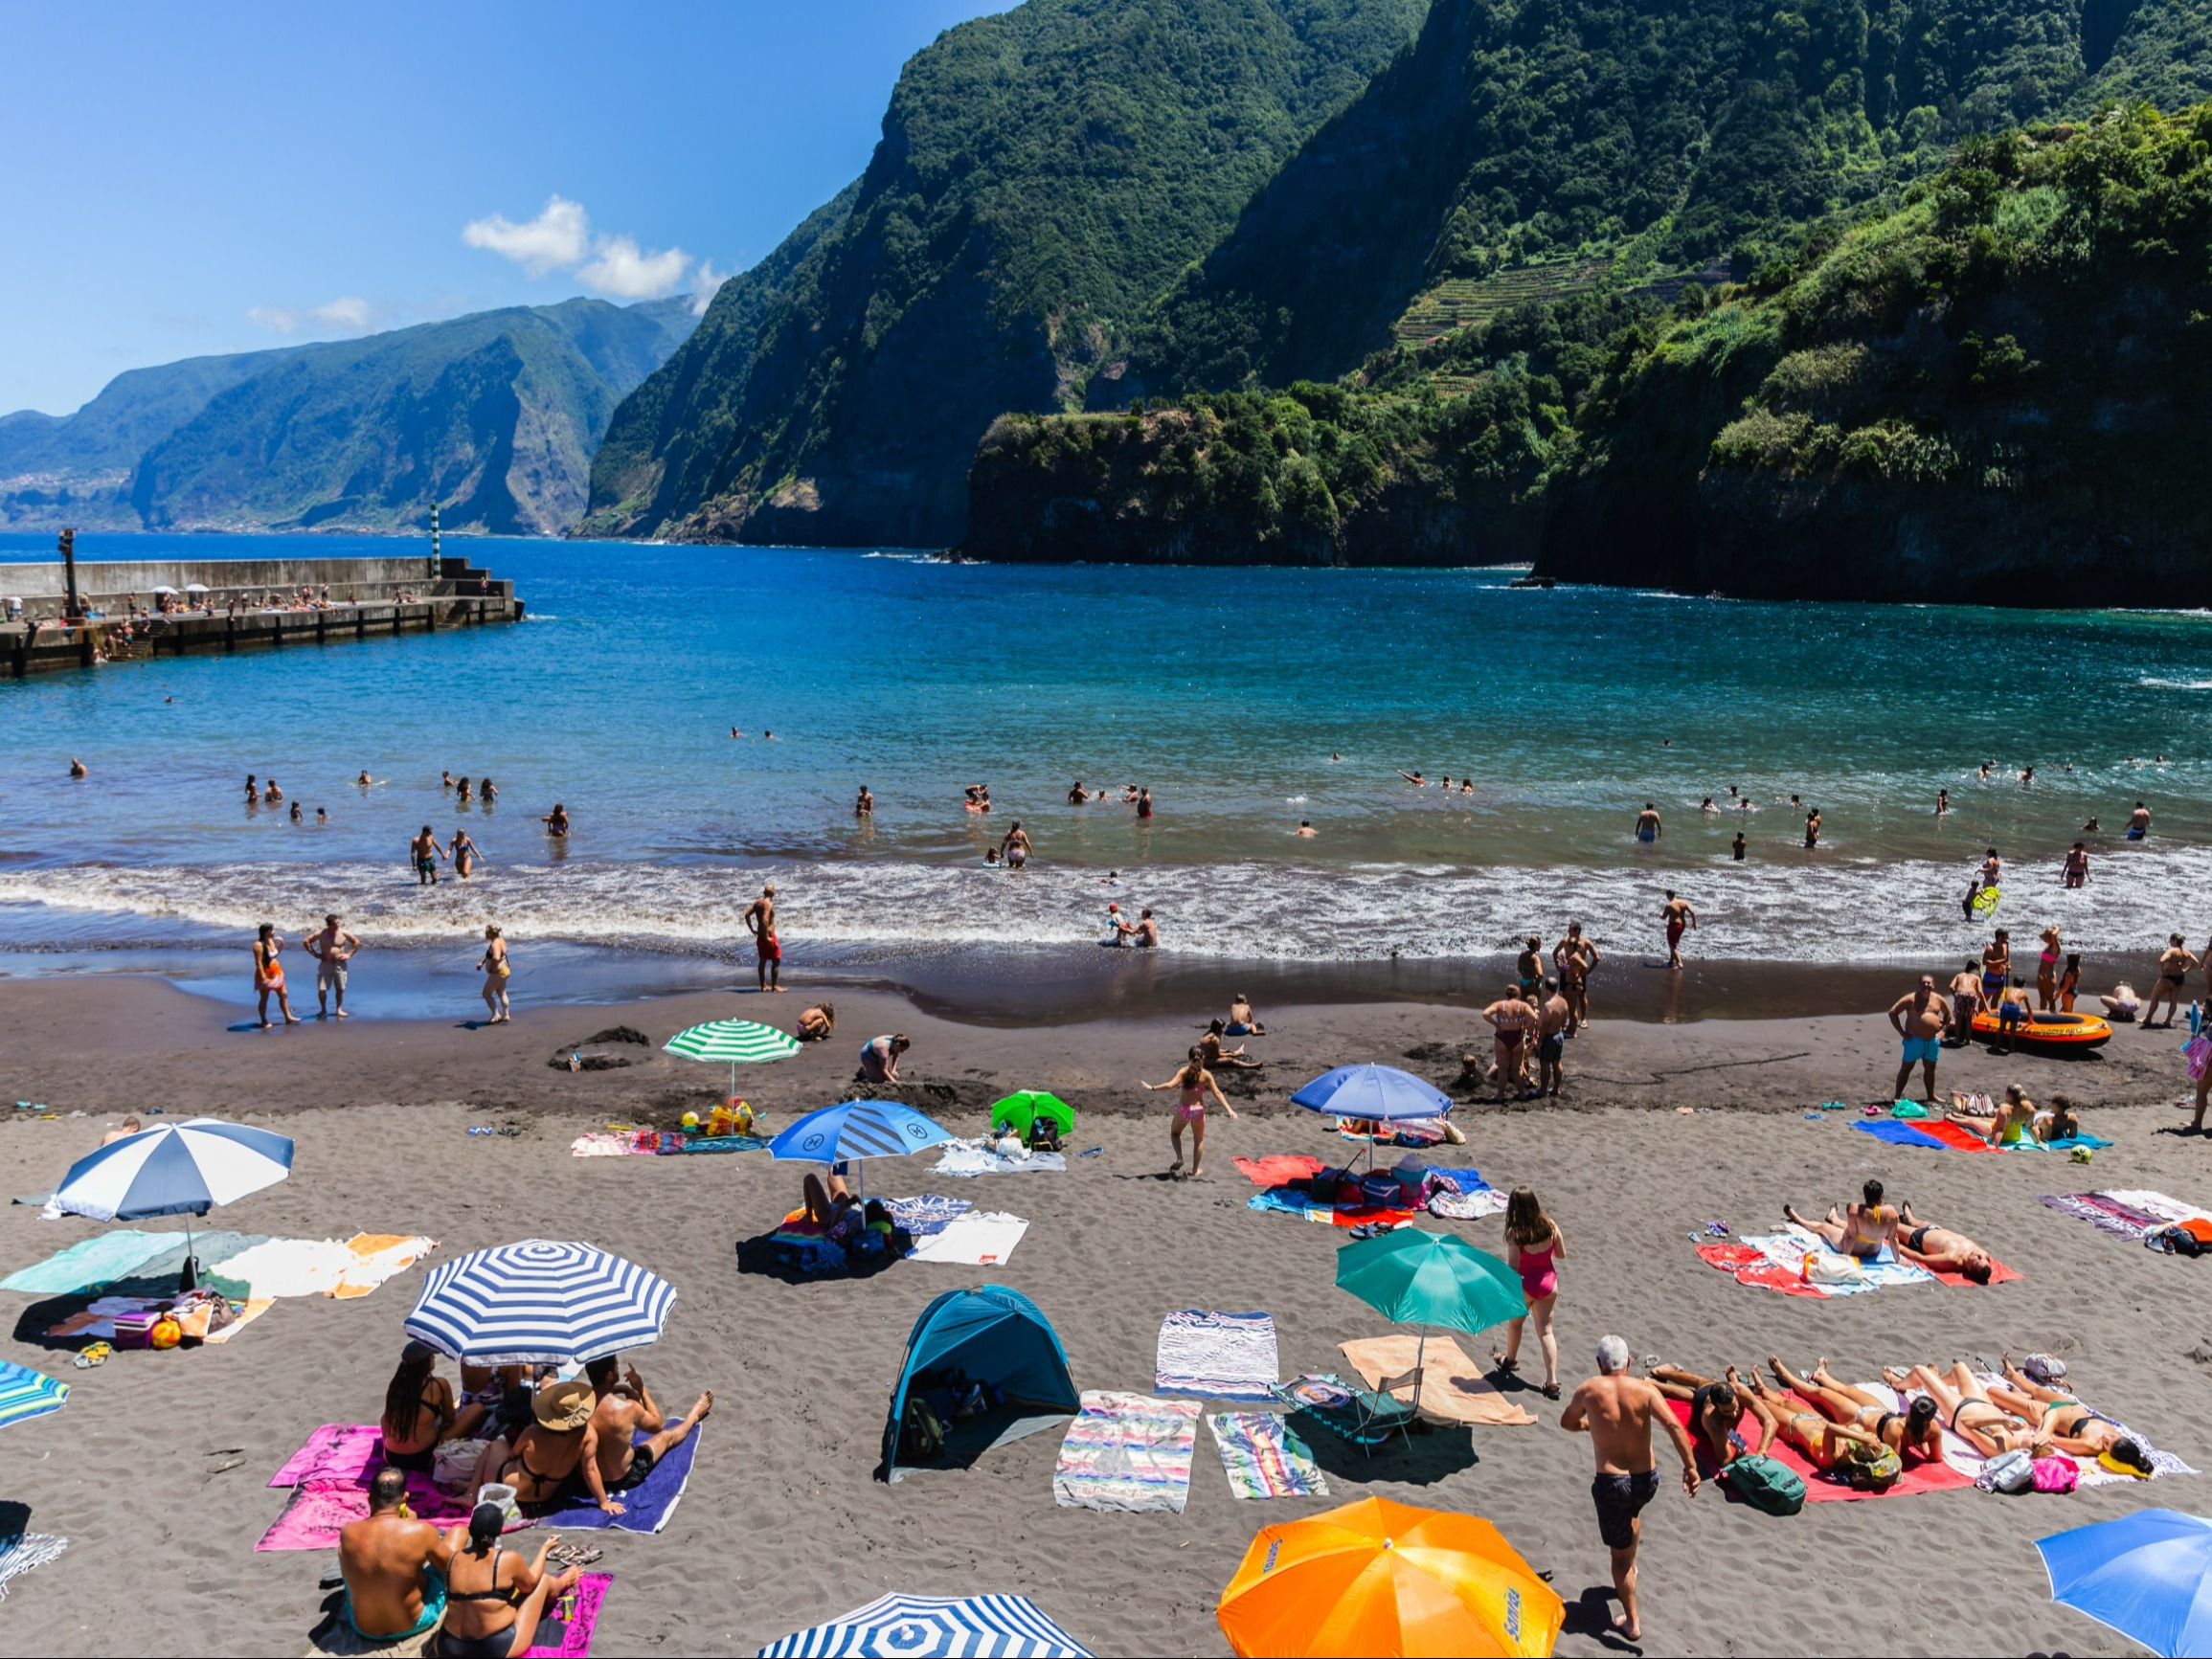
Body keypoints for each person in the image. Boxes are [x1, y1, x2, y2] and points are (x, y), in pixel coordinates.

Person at [1560, 1335, 1699, 1644]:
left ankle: (1631, 1622)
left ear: (1599, 1364)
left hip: (1613, 1484)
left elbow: (1566, 1422)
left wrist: (1587, 1426)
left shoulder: (1588, 1390)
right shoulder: (1646, 1390)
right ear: (1629, 1363)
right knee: (1632, 1513)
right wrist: (1690, 1467)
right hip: (1646, 1480)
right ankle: (1631, 1564)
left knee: (1618, 1561)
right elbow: (1674, 1426)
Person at [434, 1502, 582, 1659]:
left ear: (471, 1530)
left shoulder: (454, 1558)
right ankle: (565, 1581)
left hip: (448, 1648)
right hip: (492, 1648)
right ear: (499, 1531)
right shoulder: (506, 1559)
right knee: (543, 1580)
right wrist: (544, 1549)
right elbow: (530, 1584)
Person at [572, 1355, 712, 1516]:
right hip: (623, 1477)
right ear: (610, 1375)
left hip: (586, 1479)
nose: (618, 1368)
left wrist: (622, 1389)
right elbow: (658, 1425)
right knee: (667, 1436)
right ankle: (694, 1415)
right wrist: (640, 1388)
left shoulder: (578, 1404)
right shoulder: (628, 1408)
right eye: (616, 1366)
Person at [337, 1468, 448, 1645]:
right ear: (405, 1499)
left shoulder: (347, 1532)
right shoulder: (420, 1531)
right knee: (457, 1535)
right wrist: (415, 1525)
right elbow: (449, 1567)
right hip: (413, 1623)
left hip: (363, 1629)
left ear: (369, 1499)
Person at [1767, 1357, 1945, 1463]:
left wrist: (1917, 1438)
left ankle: (1787, 1376)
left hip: (1858, 1418)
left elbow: (1892, 1460)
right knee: (1849, 1391)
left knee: (1822, 1394)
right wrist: (1920, 1441)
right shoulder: (1932, 1429)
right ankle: (1821, 1375)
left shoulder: (1897, 1429)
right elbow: (1934, 1457)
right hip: (1880, 1413)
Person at [1738, 1366, 1904, 1478]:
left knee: (1765, 1406)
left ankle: (1742, 1390)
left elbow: (1831, 1429)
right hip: (1816, 1420)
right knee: (1785, 1402)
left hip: (1794, 1426)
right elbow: (1851, 1428)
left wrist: (1863, 1438)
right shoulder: (1852, 1443)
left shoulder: (1834, 1459)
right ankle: (1762, 1389)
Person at [473, 1377, 594, 1509]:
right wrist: (603, 1502)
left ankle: (470, 1493)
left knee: (497, 1445)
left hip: (509, 1492)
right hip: (545, 1496)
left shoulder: (534, 1433)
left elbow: (513, 1454)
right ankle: (471, 1487)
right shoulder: (587, 1435)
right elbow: (591, 1470)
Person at [1881, 1362, 2041, 1459]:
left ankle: (1899, 1384)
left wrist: (1999, 1420)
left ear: (2027, 1450)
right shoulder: (2025, 1431)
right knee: (1960, 1368)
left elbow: (1968, 1425)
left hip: (1958, 1411)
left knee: (1919, 1370)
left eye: (2034, 1440)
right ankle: (1932, 1383)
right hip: (1983, 1403)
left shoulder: (2000, 1449)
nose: (2034, 1435)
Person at [1497, 1189, 1564, 1399]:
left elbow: (1514, 1267)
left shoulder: (1515, 1234)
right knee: (1546, 1332)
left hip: (1526, 1286)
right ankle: (1552, 1381)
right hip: (1548, 1284)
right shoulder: (1550, 1225)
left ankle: (1510, 1360)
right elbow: (1561, 1254)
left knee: (1516, 1324)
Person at [382, 1339, 488, 1471]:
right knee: (477, 1408)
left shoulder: (396, 1385)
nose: (433, 1358)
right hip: (423, 1458)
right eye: (431, 1356)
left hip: (392, 1457)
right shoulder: (437, 1385)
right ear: (425, 1362)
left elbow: (384, 1419)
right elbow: (449, 1418)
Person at [1646, 1364, 1769, 1468]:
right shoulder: (1714, 1422)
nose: (1734, 1414)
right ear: (1716, 1407)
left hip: (1710, 1392)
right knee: (1698, 1392)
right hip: (1701, 1409)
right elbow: (1724, 1462)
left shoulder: (1739, 1390)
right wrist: (1738, 1455)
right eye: (1726, 1412)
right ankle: (1657, 1378)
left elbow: (1770, 1420)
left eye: (1735, 1408)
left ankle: (1659, 1374)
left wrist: (1762, 1450)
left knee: (1702, 1383)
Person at [1142, 1045, 1236, 1178]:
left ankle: (1180, 1157)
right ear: (1203, 1058)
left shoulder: (1183, 1071)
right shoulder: (1206, 1075)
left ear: (1189, 1058)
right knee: (1198, 1140)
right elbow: (1217, 1093)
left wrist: (1152, 1087)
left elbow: (1170, 1085)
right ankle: (1195, 1170)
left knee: (1175, 1134)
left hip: (1184, 1109)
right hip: (1198, 1110)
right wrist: (1229, 1109)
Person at [1784, 1178, 1897, 1259]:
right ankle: (1833, 1217)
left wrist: (1845, 1258)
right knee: (1850, 1227)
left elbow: (1850, 1237)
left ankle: (1798, 1219)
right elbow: (1893, 1238)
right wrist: (1898, 1260)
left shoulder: (1856, 1210)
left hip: (1854, 1249)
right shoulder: (1892, 1213)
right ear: (1881, 1196)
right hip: (1874, 1251)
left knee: (1823, 1227)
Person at [1888, 974, 1947, 1102]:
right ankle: (1897, 1096)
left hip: (1932, 1040)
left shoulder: (1938, 999)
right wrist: (1902, 1032)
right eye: (1923, 983)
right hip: (1914, 1039)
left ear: (1933, 985)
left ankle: (1930, 1095)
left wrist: (1943, 1031)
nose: (1926, 985)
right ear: (1919, 984)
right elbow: (1893, 1012)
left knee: (1930, 1068)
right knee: (1907, 1067)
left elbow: (1948, 1015)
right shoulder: (1911, 999)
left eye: (1929, 983)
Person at [1482, 982, 1540, 1096]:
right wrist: (1524, 1030)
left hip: (1502, 1038)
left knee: (1502, 1069)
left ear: (1506, 994)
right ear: (1518, 994)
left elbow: (1485, 1013)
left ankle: (1500, 1095)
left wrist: (1496, 1024)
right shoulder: (1522, 1005)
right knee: (1517, 1069)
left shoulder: (1500, 1004)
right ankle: (1521, 1094)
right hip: (1517, 1038)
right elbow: (1533, 1017)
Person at [306, 913, 360, 1020]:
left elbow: (357, 942)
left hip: (339, 964)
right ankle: (323, 1009)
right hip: (325, 964)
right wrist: (315, 954)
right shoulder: (322, 933)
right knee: (322, 990)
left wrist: (349, 954)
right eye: (336, 923)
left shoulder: (343, 933)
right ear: (329, 925)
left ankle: (339, 1009)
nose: (338, 925)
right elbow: (306, 941)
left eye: (339, 922)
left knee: (340, 988)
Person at [1952, 1083, 2037, 1147]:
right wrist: (2037, 1141)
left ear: (2009, 1095)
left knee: (1971, 1122)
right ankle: (1960, 1115)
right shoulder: (2028, 1107)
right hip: (2015, 1136)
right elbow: (2030, 1127)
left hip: (2000, 1135)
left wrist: (1994, 1145)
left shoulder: (2005, 1108)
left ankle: (1950, 1117)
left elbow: (2000, 1129)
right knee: (1983, 1119)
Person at [1553, 922, 1600, 1034]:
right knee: (1565, 997)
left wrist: (1588, 972)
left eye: (1570, 930)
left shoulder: (1585, 943)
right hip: (1566, 972)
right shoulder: (1565, 941)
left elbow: (1597, 957)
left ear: (1576, 931)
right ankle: (1567, 1022)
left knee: (1582, 996)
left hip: (1579, 974)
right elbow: (1555, 952)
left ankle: (1583, 1019)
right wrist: (1558, 966)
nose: (1568, 932)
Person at [253, 923, 300, 1027]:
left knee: (283, 994)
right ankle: (264, 1021)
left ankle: (288, 1016)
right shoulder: (258, 945)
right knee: (264, 997)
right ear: (267, 931)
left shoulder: (271, 941)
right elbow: (259, 962)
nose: (274, 932)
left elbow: (274, 955)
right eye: (272, 930)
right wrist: (263, 977)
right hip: (265, 973)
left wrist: (281, 945)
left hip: (277, 972)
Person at [2146, 933, 2198, 1028]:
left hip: (2168, 978)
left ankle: (2148, 1019)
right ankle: (2167, 1021)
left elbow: (2161, 960)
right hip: (2180, 978)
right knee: (2174, 1000)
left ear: (2174, 940)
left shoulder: (2171, 951)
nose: (2169, 942)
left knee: (2155, 997)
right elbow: (2195, 962)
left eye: (2170, 940)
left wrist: (2162, 970)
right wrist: (2185, 970)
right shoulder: (2186, 952)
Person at [744, 884, 782, 993]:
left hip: (761, 936)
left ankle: (763, 986)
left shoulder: (758, 903)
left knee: (763, 960)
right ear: (773, 893)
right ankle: (774, 986)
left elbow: (747, 915)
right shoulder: (768, 904)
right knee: (776, 960)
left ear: (764, 892)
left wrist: (752, 929)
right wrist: (767, 937)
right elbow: (765, 920)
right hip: (768, 936)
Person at [1536, 976, 1569, 1096]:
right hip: (1559, 1034)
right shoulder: (1563, 1002)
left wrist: (1539, 1041)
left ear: (1546, 989)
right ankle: (1556, 1089)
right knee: (1557, 1062)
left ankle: (1543, 1090)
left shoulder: (1548, 1005)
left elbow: (1545, 1025)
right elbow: (1564, 1021)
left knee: (1545, 1063)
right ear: (1557, 987)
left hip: (1549, 1036)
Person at [478, 926, 511, 1024]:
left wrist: (491, 967)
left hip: (498, 973)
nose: (485, 934)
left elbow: (496, 957)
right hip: (505, 970)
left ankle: (496, 1015)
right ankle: (506, 1015)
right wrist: (482, 962)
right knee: (502, 993)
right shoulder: (500, 940)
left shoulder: (495, 944)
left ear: (491, 934)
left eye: (486, 932)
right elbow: (491, 954)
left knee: (486, 994)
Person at [1947, 958, 1984, 1045]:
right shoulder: (1976, 977)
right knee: (1969, 1018)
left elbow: (1950, 987)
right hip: (1971, 994)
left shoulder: (1959, 975)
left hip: (1960, 993)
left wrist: (1955, 996)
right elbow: (1980, 991)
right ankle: (1968, 1039)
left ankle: (1957, 1038)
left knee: (1959, 1018)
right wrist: (1975, 997)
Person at [1660, 891, 1697, 970]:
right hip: (1682, 926)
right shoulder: (1683, 902)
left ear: (1668, 896)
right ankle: (1671, 961)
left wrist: (1659, 914)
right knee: (1674, 943)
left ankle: (1679, 963)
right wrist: (1694, 923)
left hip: (1673, 926)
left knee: (1672, 945)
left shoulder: (1669, 905)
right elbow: (1692, 912)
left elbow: (1663, 917)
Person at [2036, 926, 2063, 1011]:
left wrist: (2057, 927)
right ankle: (2041, 1016)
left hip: (2048, 976)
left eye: (2047, 936)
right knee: (2042, 998)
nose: (2044, 939)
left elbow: (2054, 935)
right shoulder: (2048, 946)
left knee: (2050, 999)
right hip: (2040, 976)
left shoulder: (2056, 948)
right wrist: (2048, 932)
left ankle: (2053, 1018)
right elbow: (2040, 936)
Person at [1981, 930, 2011, 1004]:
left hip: (2001, 977)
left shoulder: (2006, 946)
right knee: (1985, 999)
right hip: (1991, 976)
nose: (2008, 939)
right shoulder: (1990, 948)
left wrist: (2008, 965)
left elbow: (2007, 959)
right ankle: (1980, 1014)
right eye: (2006, 937)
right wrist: (2001, 961)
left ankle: (1992, 1014)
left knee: (1996, 999)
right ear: (2000, 937)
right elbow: (1985, 962)